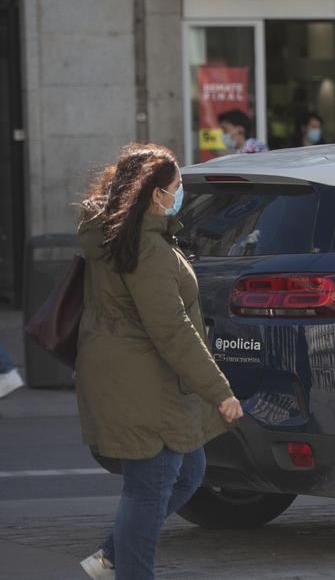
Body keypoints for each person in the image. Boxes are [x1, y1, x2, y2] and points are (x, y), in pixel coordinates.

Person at [75, 144, 243, 579]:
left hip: (134, 376)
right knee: (149, 489)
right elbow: (171, 330)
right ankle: (126, 568)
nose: (181, 192)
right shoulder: (145, 249)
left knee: (190, 470)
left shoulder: (120, 234)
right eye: (177, 187)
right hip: (147, 383)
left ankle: (112, 556)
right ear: (155, 195)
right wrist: (220, 391)